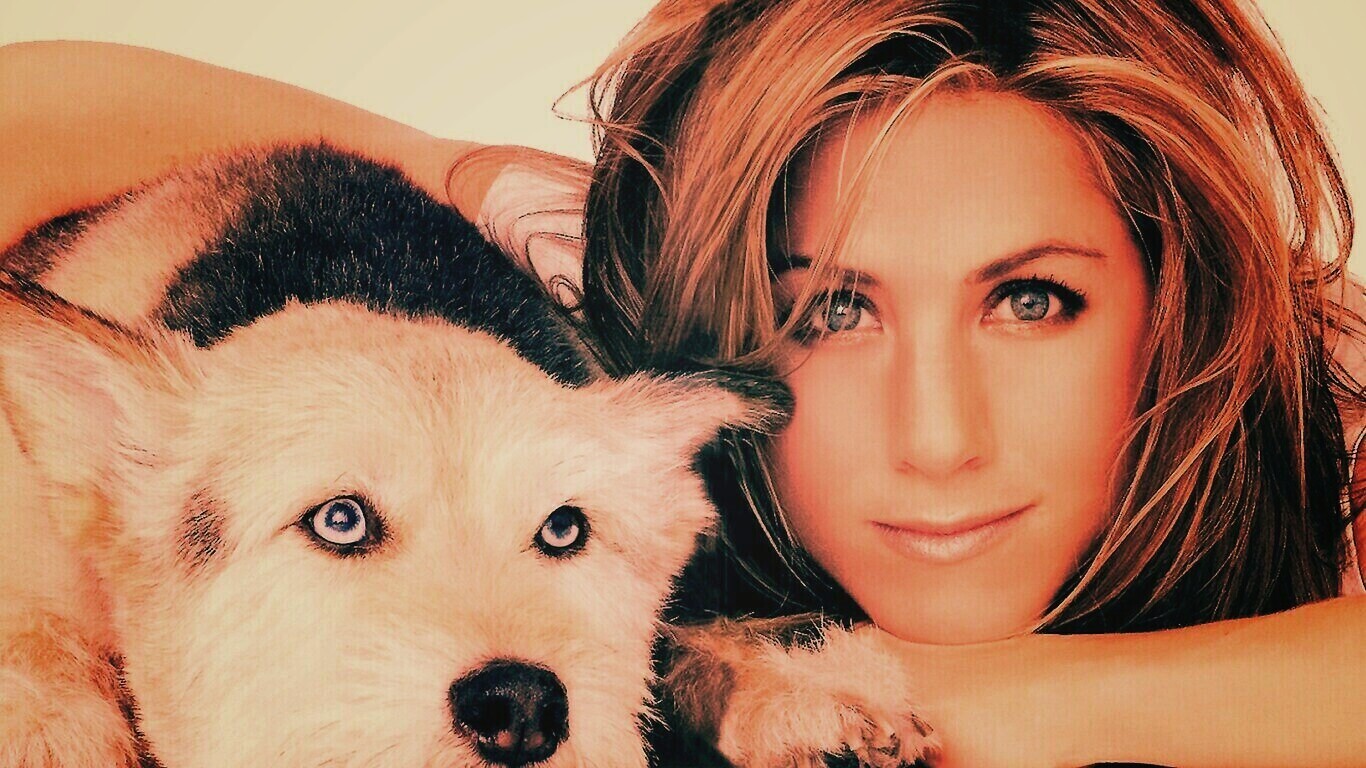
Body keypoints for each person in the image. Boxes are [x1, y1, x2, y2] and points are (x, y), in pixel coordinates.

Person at [1, 1, 1364, 765]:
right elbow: (33, 101)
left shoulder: (1328, 396)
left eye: (1030, 301)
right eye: (831, 310)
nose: (938, 438)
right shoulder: (602, 364)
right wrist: (461, 172)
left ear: (1174, 303)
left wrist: (1018, 701)